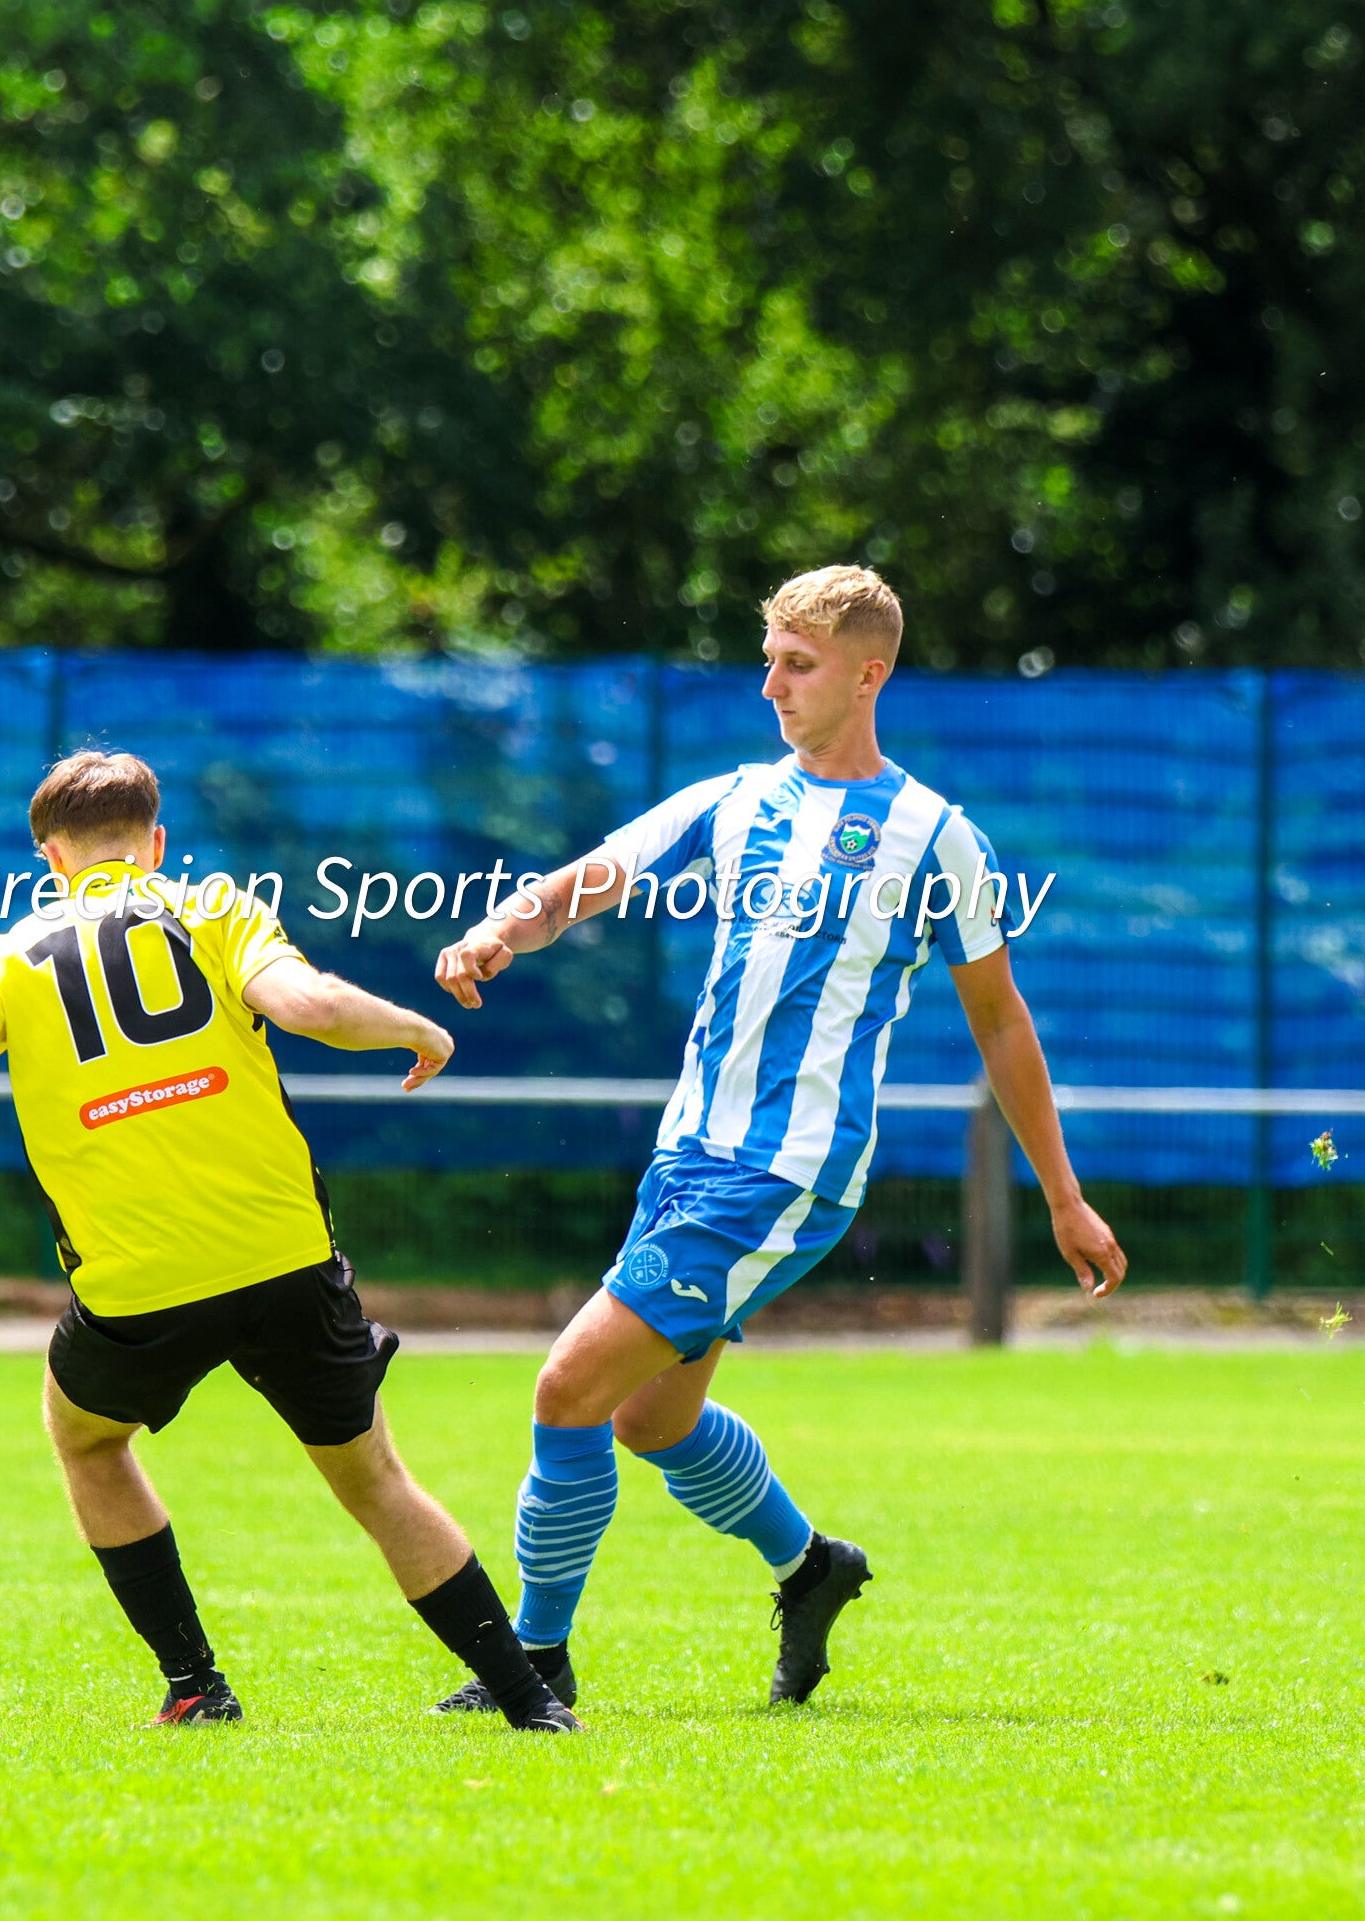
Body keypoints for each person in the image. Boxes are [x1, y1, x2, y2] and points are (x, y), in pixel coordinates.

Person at [0, 749, 577, 1733]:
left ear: (50, 855)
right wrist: (416, 1029)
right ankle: (531, 1702)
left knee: (87, 1436)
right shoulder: (215, 906)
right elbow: (309, 1008)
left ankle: (195, 1684)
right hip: (283, 1257)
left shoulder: (14, 955)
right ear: (157, 842)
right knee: (373, 1479)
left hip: (139, 1284)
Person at [429, 565, 1128, 1715]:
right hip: (689, 1152)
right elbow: (594, 877)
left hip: (785, 1171)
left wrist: (1062, 1192)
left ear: (869, 673)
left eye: (797, 665)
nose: (772, 686)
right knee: (653, 1417)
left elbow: (1001, 1020)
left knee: (568, 1387)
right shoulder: (737, 799)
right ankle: (813, 1568)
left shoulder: (935, 839)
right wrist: (505, 924)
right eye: (768, 661)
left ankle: (533, 1663)